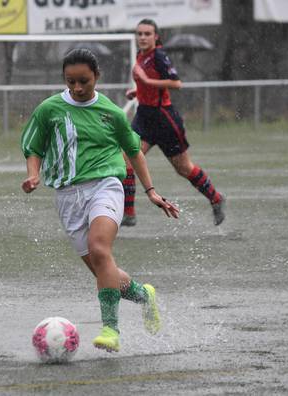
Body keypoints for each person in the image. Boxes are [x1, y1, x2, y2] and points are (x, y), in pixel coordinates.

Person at [21, 49, 179, 353]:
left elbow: (134, 152)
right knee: (102, 270)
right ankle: (144, 296)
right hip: (67, 195)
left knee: (100, 248)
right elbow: (34, 147)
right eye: (71, 82)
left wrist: (151, 191)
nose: (78, 88)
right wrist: (33, 175)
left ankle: (110, 329)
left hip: (105, 186)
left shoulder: (112, 113)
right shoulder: (49, 109)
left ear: (97, 77)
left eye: (84, 81)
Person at [122, 18, 225, 227]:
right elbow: (147, 83)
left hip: (164, 119)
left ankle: (216, 199)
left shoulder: (159, 55)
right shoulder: (140, 55)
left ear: (156, 36)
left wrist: (147, 81)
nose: (142, 37)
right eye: (139, 33)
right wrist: (138, 90)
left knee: (183, 168)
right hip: (144, 116)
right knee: (125, 159)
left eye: (147, 34)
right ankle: (129, 213)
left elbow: (176, 83)